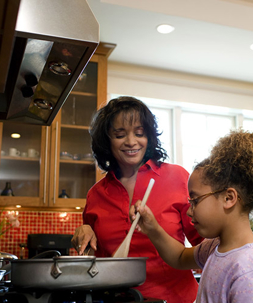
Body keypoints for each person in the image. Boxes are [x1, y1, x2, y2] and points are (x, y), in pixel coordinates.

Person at [71, 96, 203, 303]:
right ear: (107, 140)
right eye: (120, 134)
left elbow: (206, 243)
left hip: (175, 298)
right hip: (115, 298)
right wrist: (85, 230)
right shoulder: (96, 194)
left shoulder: (178, 178)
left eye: (139, 133)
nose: (131, 142)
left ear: (149, 136)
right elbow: (97, 258)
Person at [131, 129, 253, 303]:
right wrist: (152, 228)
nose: (189, 210)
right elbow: (180, 257)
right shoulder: (216, 247)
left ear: (229, 198)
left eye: (195, 201)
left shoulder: (250, 270)